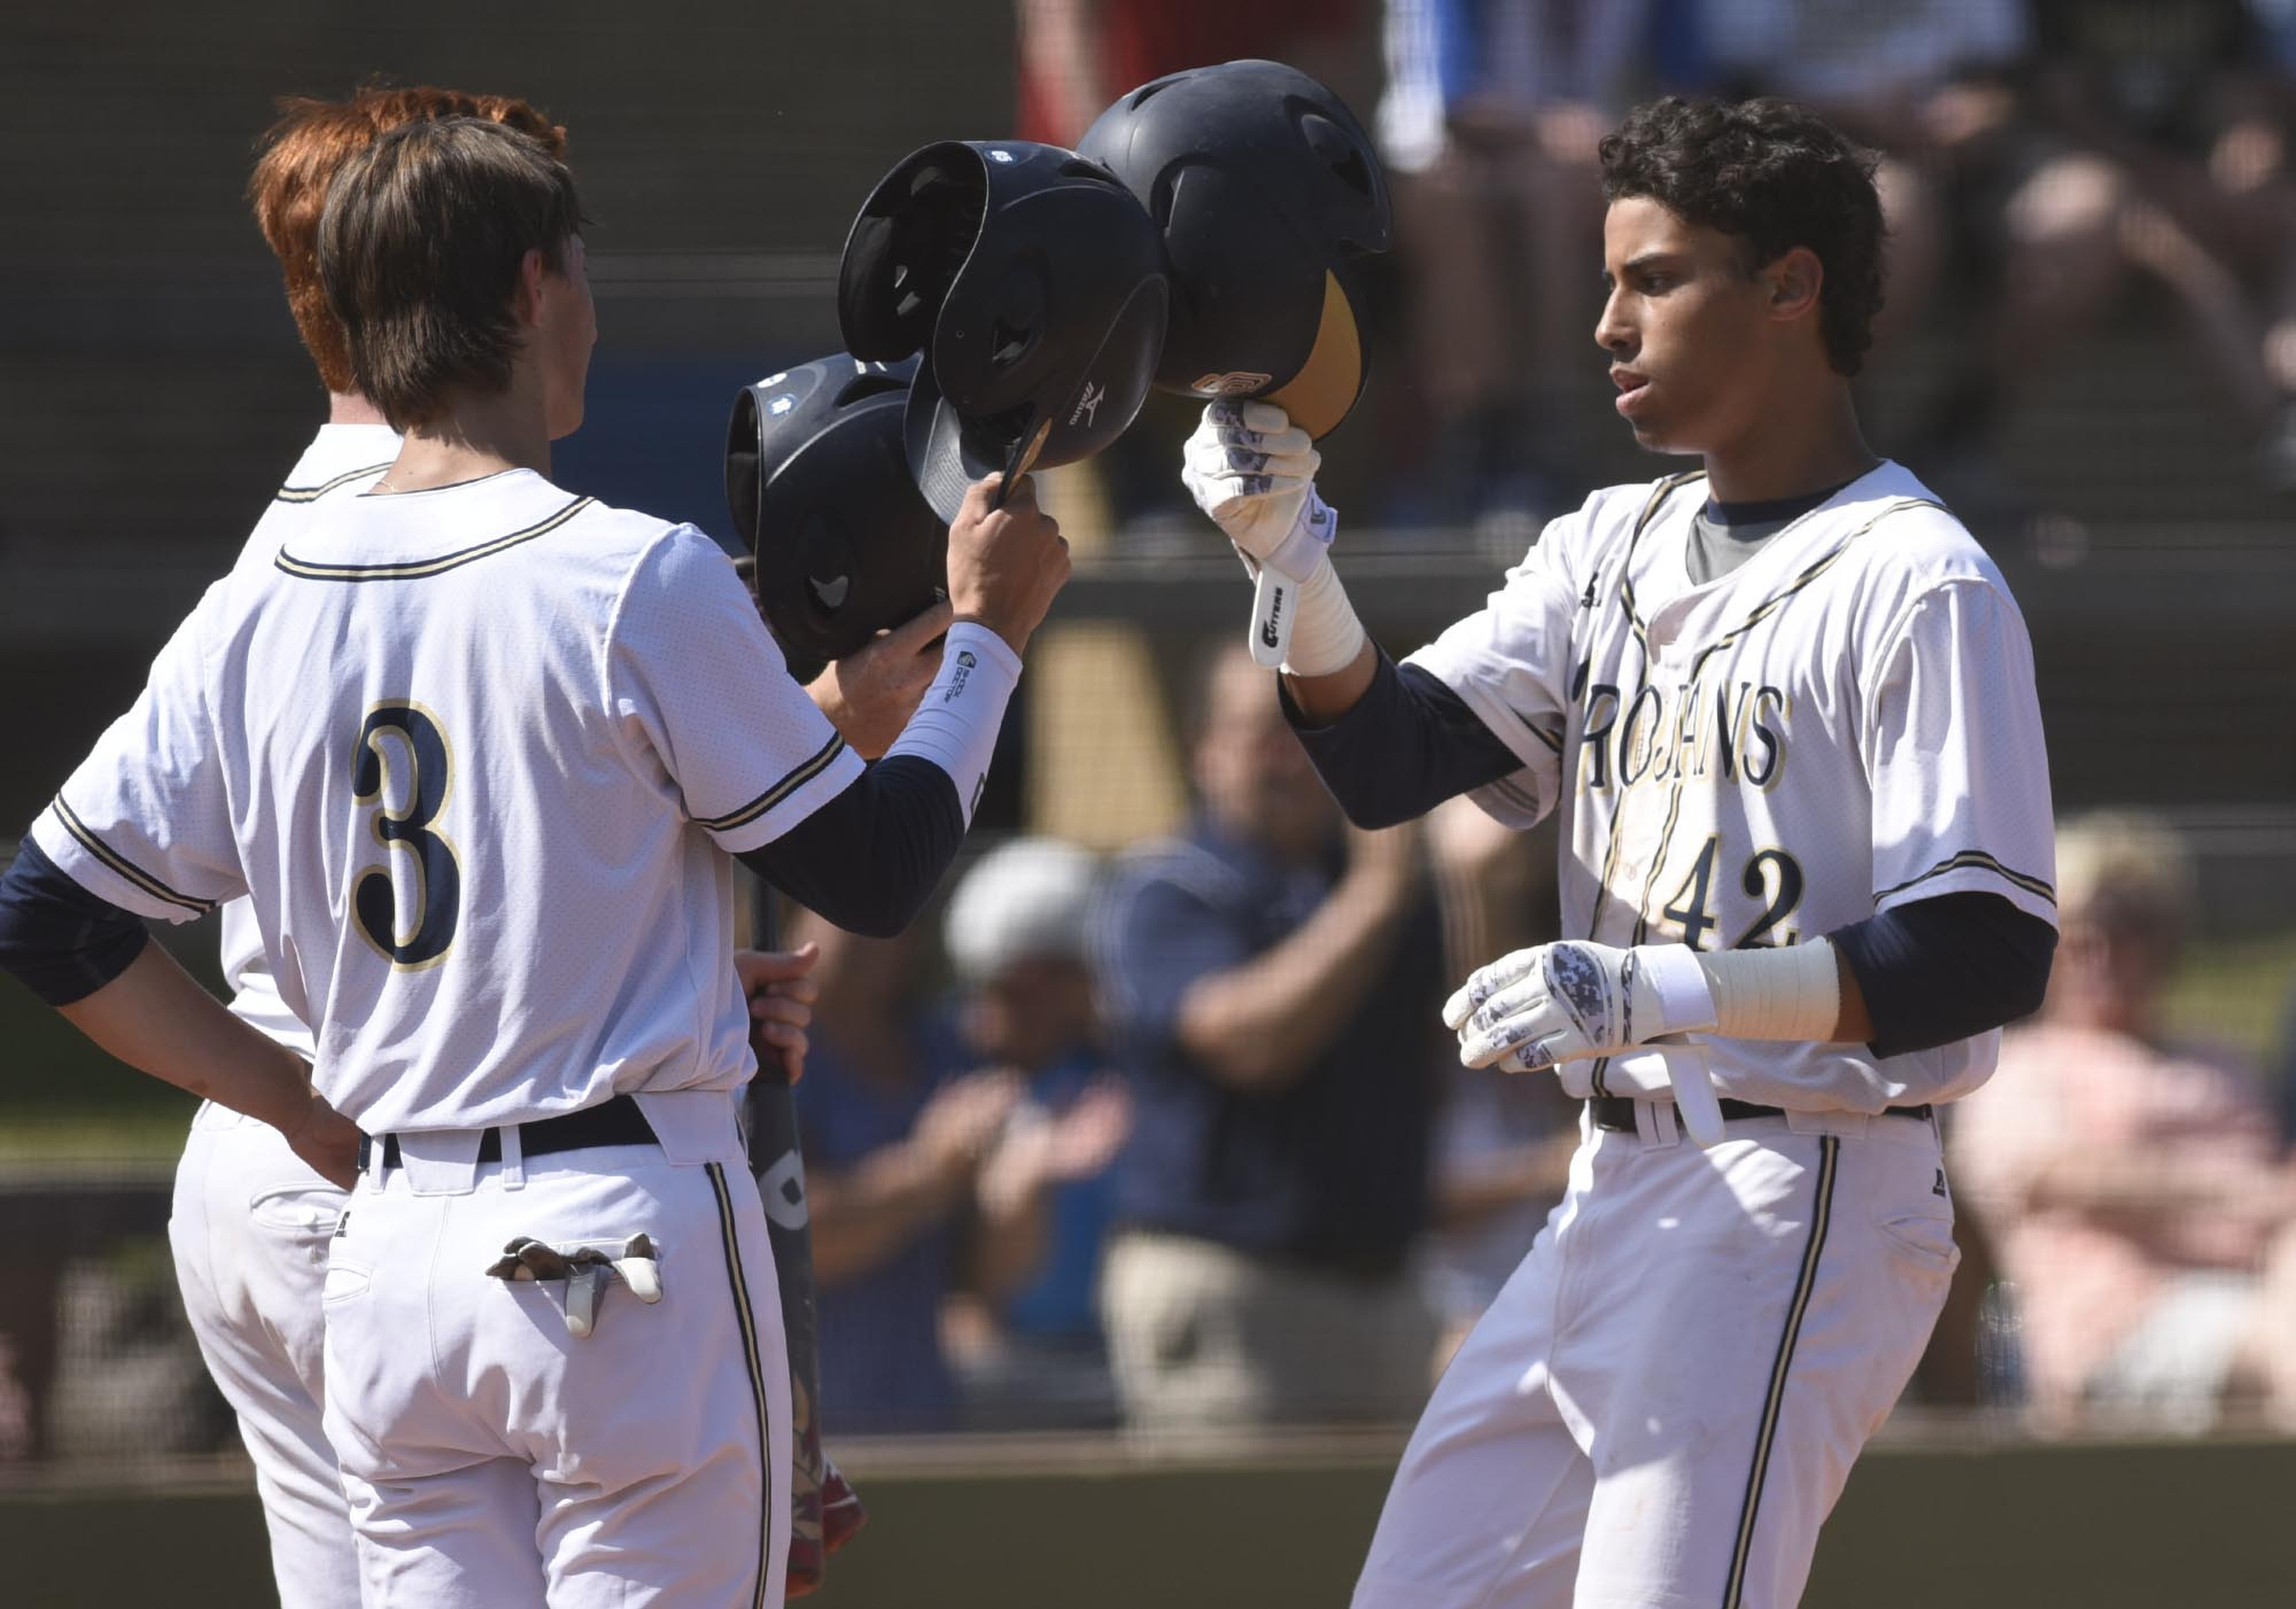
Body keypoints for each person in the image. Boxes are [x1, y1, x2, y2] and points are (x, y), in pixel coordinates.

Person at [0, 113, 1066, 1608]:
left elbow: (51, 914)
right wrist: (990, 644)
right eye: (577, 270)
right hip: (619, 1258)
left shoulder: (260, 600)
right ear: (524, 290)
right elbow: (880, 868)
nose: (589, 306)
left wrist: (289, 1097)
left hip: (392, 1263)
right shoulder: (629, 569)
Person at [1178, 96, 2058, 1607]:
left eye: (1653, 278)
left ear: (1790, 287)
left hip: (1802, 1183)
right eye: (1609, 280)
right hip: (1608, 1191)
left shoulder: (1921, 576)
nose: (1604, 323)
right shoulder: (1607, 542)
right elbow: (1393, 757)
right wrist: (1291, 558)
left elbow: (1983, 948)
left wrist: (1668, 989)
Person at [1091, 641, 1446, 1433]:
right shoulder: (1170, 885)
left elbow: (1467, 1048)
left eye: (1311, 733)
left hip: (1383, 1294)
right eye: (1266, 735)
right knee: (1234, 1555)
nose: (1296, 759)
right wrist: (1376, 897)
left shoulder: (1367, 879)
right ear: (1203, 751)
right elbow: (1250, 1045)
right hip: (1230, 1292)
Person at [1951, 811, 2296, 1431]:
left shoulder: (2219, 1061)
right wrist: (2246, 1192)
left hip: (2259, 1294)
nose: (2101, 950)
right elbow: (2051, 1175)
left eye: (2130, 924)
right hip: (2120, 1333)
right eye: (2079, 928)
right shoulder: (2017, 1068)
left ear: (2167, 940)